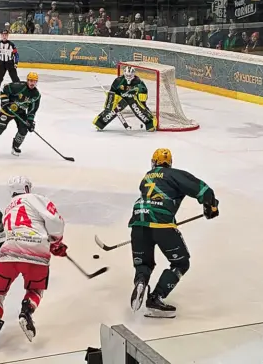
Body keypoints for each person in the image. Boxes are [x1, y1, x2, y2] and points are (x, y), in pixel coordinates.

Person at [0, 176, 66, 352]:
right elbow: (55, 221)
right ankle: (27, 310)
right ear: (27, 188)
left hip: (9, 252)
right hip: (38, 252)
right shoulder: (36, 198)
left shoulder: (9, 208)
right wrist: (56, 242)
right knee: (35, 288)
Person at [129, 148, 219, 318]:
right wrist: (211, 207)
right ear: (169, 163)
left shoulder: (147, 177)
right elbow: (204, 190)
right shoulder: (174, 175)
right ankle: (156, 297)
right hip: (161, 224)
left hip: (138, 222)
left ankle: (141, 280)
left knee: (144, 263)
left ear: (153, 162)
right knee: (181, 263)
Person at [0, 72, 41, 157]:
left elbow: (32, 110)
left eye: (34, 81)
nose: (32, 83)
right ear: (27, 80)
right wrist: (5, 101)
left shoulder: (36, 95)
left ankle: (15, 146)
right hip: (7, 110)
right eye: (31, 80)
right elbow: (4, 88)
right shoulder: (19, 86)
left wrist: (30, 121)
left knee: (24, 130)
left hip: (20, 112)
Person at [93, 66, 156, 131]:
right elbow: (113, 90)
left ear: (133, 74)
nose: (128, 77)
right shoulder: (118, 80)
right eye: (127, 75)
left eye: (130, 75)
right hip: (121, 98)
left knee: (139, 110)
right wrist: (111, 98)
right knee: (112, 109)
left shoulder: (138, 81)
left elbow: (143, 90)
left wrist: (142, 95)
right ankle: (100, 123)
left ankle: (150, 124)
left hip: (132, 98)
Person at [0, 30, 20, 98]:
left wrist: (16, 63)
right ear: (1, 35)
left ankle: (19, 91)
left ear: (8, 36)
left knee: (15, 78)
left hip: (10, 63)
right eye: (3, 35)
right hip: (1, 63)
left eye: (6, 35)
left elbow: (16, 54)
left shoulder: (11, 44)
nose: (4, 36)